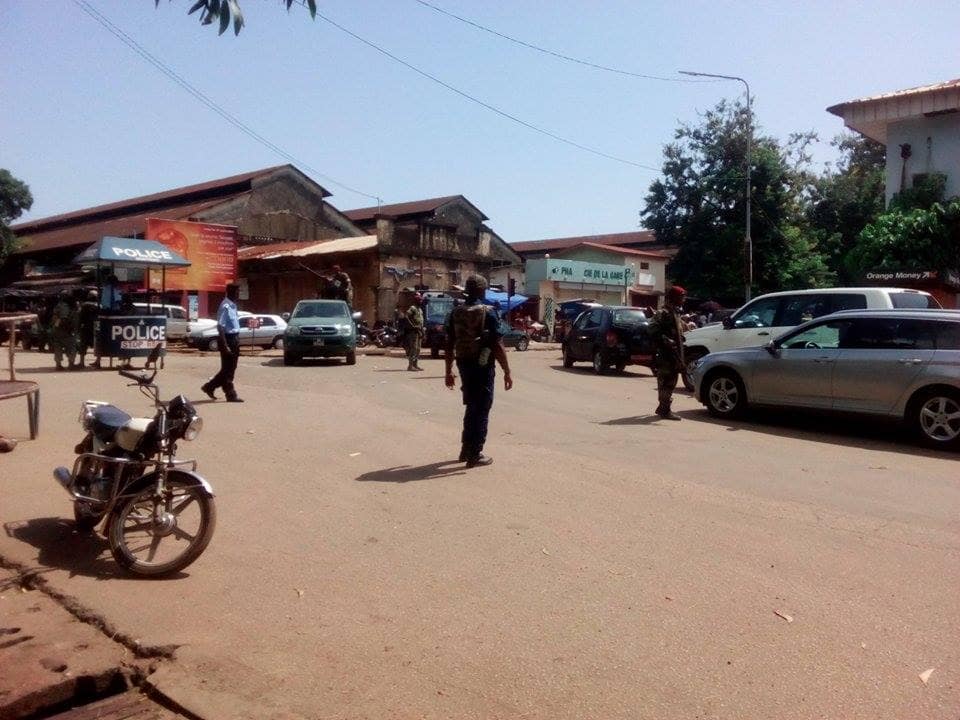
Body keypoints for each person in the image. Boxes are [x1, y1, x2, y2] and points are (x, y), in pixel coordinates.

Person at [444, 274, 513, 467]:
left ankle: (466, 449)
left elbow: (449, 343)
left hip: (463, 363)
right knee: (482, 408)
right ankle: (476, 452)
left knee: (471, 406)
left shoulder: (455, 312)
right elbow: (497, 345)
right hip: (482, 367)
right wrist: (507, 371)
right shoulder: (488, 312)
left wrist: (448, 370)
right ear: (482, 291)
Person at [647, 285, 688, 421]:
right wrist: (665, 339)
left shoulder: (675, 312)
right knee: (666, 382)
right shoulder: (663, 313)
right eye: (681, 297)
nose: (683, 299)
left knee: (672, 381)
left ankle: (663, 408)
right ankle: (664, 409)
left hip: (674, 354)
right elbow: (652, 329)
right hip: (665, 355)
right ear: (674, 298)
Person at [201, 283, 244, 403]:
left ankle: (209, 387)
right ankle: (230, 394)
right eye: (237, 292)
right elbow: (220, 327)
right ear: (230, 292)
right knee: (228, 369)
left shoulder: (233, 306)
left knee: (230, 368)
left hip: (234, 339)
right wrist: (225, 345)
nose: (238, 294)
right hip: (227, 340)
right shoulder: (225, 306)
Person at [50, 291, 79, 371]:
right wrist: (69, 328)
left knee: (58, 347)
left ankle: (58, 365)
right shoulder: (66, 306)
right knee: (71, 347)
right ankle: (71, 364)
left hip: (57, 329)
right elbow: (64, 318)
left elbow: (56, 319)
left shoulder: (58, 305)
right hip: (66, 330)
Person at [78, 290, 100, 368]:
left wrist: (78, 326)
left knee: (83, 345)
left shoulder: (85, 305)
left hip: (86, 327)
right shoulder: (99, 305)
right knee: (97, 344)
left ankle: (82, 362)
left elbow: (80, 317)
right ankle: (98, 362)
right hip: (97, 327)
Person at [404, 294, 425, 371]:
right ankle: (410, 366)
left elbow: (421, 321)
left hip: (419, 331)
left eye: (421, 300)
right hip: (413, 331)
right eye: (419, 300)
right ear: (416, 301)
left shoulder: (420, 310)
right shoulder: (412, 308)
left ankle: (415, 365)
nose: (421, 301)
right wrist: (413, 326)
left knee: (418, 349)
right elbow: (406, 317)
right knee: (413, 348)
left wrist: (423, 332)